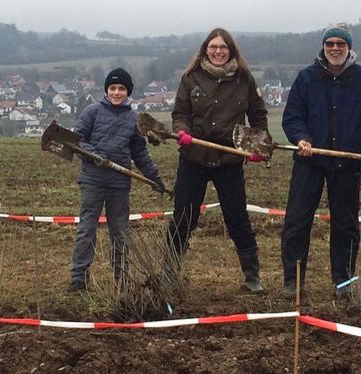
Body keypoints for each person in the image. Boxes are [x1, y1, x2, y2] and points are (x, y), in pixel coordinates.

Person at [281, 22, 361, 298]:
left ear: (348, 48)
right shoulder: (306, 78)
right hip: (310, 161)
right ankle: (293, 282)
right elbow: (292, 117)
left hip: (347, 163)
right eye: (330, 43)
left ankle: (343, 282)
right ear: (323, 47)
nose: (334, 48)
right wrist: (301, 138)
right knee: (297, 221)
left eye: (340, 44)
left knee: (346, 224)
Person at [168, 27, 268, 293]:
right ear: (205, 50)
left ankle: (252, 276)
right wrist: (183, 132)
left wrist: (258, 144)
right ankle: (169, 272)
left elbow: (258, 116)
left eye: (223, 47)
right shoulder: (191, 78)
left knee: (236, 217)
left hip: (229, 158)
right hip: (194, 155)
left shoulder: (244, 79)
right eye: (213, 47)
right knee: (183, 218)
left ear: (231, 51)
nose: (218, 51)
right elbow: (180, 113)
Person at [68, 68, 166, 291]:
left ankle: (122, 279)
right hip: (92, 179)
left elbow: (140, 154)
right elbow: (76, 140)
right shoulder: (92, 112)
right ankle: (78, 278)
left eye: (121, 88)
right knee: (86, 229)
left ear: (128, 92)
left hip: (119, 183)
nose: (116, 92)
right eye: (112, 88)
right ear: (106, 90)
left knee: (120, 232)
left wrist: (155, 178)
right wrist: (94, 154)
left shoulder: (135, 120)